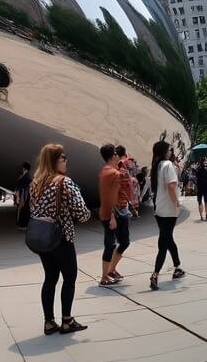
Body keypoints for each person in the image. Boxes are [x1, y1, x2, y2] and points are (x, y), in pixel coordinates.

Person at [29, 143, 91, 335]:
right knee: (69, 277)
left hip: (42, 238)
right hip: (62, 237)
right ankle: (67, 321)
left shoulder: (36, 183)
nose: (66, 161)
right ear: (56, 160)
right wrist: (86, 215)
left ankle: (49, 322)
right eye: (63, 158)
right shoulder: (64, 182)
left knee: (50, 278)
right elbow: (81, 212)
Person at [149, 140, 185, 291]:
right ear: (164, 151)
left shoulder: (155, 166)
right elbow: (171, 186)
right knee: (164, 242)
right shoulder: (168, 165)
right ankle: (155, 274)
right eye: (170, 150)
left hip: (159, 208)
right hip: (169, 209)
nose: (171, 152)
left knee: (168, 238)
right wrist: (176, 202)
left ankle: (177, 266)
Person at [96, 144, 130, 286]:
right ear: (113, 156)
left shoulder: (104, 171)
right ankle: (105, 276)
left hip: (111, 212)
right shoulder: (113, 174)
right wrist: (112, 216)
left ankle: (110, 271)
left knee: (122, 242)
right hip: (114, 213)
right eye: (116, 153)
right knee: (111, 244)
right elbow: (110, 196)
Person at [15, 162, 32, 229]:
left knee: (23, 209)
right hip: (25, 194)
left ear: (24, 168)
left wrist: (18, 196)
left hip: (23, 195)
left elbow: (19, 187)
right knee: (25, 209)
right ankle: (23, 224)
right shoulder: (27, 176)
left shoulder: (24, 176)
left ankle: (23, 224)